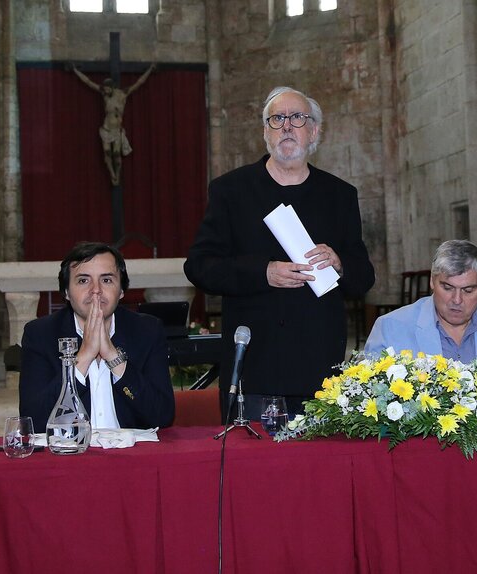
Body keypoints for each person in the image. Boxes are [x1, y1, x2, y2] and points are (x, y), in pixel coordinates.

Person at [185, 86, 375, 420]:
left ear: (314, 131)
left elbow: (364, 277)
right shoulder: (231, 190)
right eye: (277, 119)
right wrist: (263, 272)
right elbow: (200, 266)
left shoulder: (339, 195)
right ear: (265, 131)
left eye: (297, 118)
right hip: (254, 366)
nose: (286, 126)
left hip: (318, 367)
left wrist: (340, 263)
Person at [19, 242, 175, 431]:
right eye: (83, 281)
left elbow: (162, 416)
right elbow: (33, 421)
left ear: (122, 290)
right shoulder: (41, 334)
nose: (96, 290)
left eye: (106, 280)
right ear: (67, 292)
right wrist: (84, 356)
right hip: (72, 448)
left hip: (132, 447)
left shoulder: (147, 331)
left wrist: (113, 357)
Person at [364, 240, 477, 391]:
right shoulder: (391, 329)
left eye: (468, 290)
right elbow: (370, 395)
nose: (457, 300)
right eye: (447, 288)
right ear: (432, 281)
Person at [71, 63, 155, 185]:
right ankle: (112, 173)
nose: (105, 91)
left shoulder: (123, 94)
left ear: (112, 87)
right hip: (106, 128)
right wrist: (75, 70)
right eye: (104, 89)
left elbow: (139, 82)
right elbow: (88, 82)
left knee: (116, 155)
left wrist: (150, 69)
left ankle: (118, 173)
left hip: (117, 130)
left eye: (107, 89)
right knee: (107, 152)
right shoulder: (104, 95)